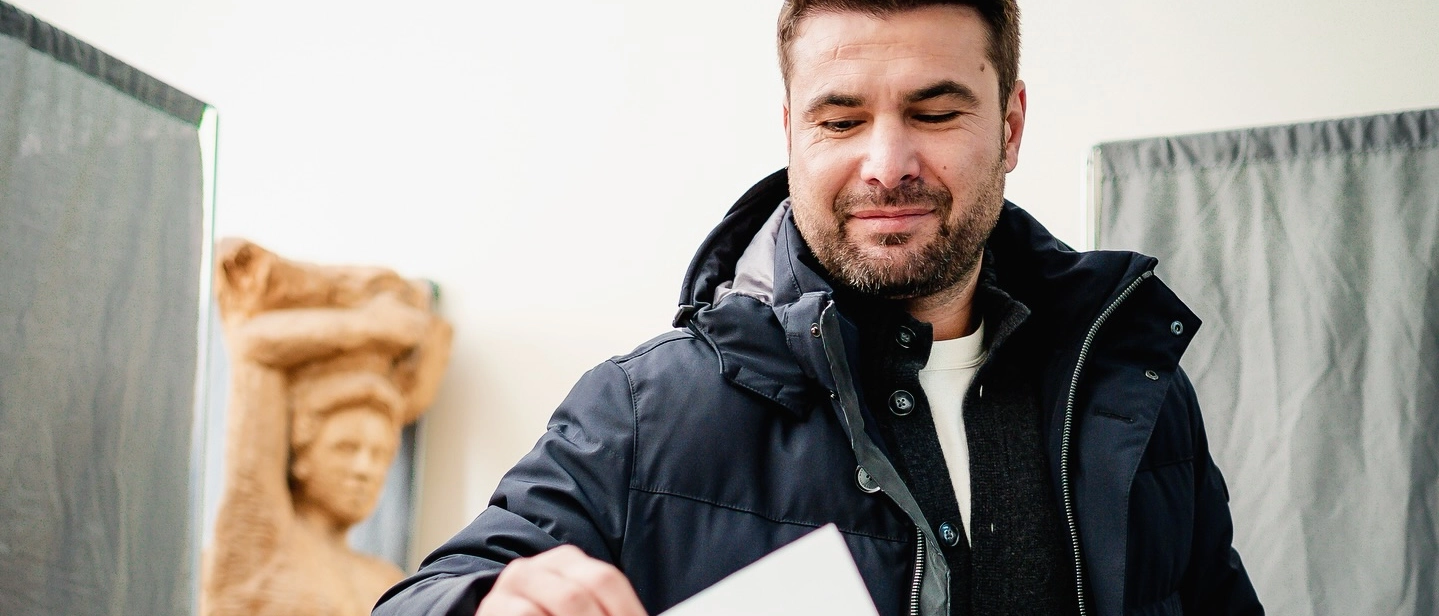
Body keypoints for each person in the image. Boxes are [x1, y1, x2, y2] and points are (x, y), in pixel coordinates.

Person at [374, 1, 1262, 614]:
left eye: (934, 111)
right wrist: (487, 602)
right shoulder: (644, 411)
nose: (886, 162)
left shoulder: (1129, 390)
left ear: (1011, 125)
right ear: (791, 131)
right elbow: (427, 595)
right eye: (839, 121)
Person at [205, 239, 452, 616]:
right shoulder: (262, 536)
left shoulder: (386, 578)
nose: (364, 469)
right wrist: (368, 327)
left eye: (380, 455)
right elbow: (252, 347)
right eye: (346, 448)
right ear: (302, 454)